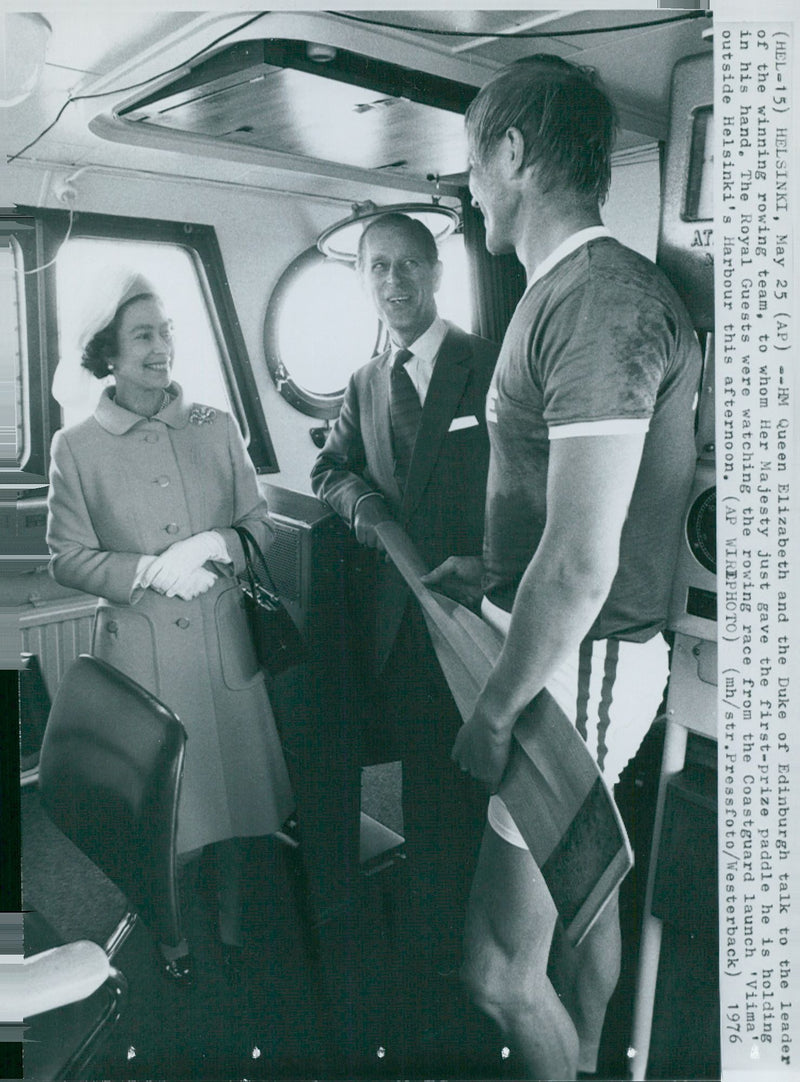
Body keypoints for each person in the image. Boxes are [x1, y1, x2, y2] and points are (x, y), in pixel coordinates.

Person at [422, 56, 702, 1080]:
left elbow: (581, 561)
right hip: (581, 650)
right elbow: (567, 513)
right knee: (582, 897)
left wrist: (493, 713)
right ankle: (587, 1058)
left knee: (496, 967)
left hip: (575, 660)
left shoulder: (594, 300)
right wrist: (485, 566)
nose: (470, 189)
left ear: (509, 151)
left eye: (470, 162)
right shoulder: (580, 294)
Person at [46, 271, 294, 984]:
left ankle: (235, 919)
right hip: (143, 653)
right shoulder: (76, 446)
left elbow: (259, 524)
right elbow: (67, 558)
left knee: (236, 803)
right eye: (143, 336)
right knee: (160, 811)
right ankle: (168, 930)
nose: (161, 349)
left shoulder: (217, 426)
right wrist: (148, 570)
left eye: (167, 331)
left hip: (222, 645)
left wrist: (213, 545)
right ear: (109, 353)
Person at [310, 213, 498, 962]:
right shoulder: (362, 382)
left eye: (410, 266)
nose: (395, 282)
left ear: (437, 273)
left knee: (483, 788)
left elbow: (532, 486)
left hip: (479, 614)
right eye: (379, 268)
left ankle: (490, 934)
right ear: (363, 280)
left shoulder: (489, 364)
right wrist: (362, 506)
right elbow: (329, 468)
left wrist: (493, 564)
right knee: (429, 786)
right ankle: (438, 943)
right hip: (400, 621)